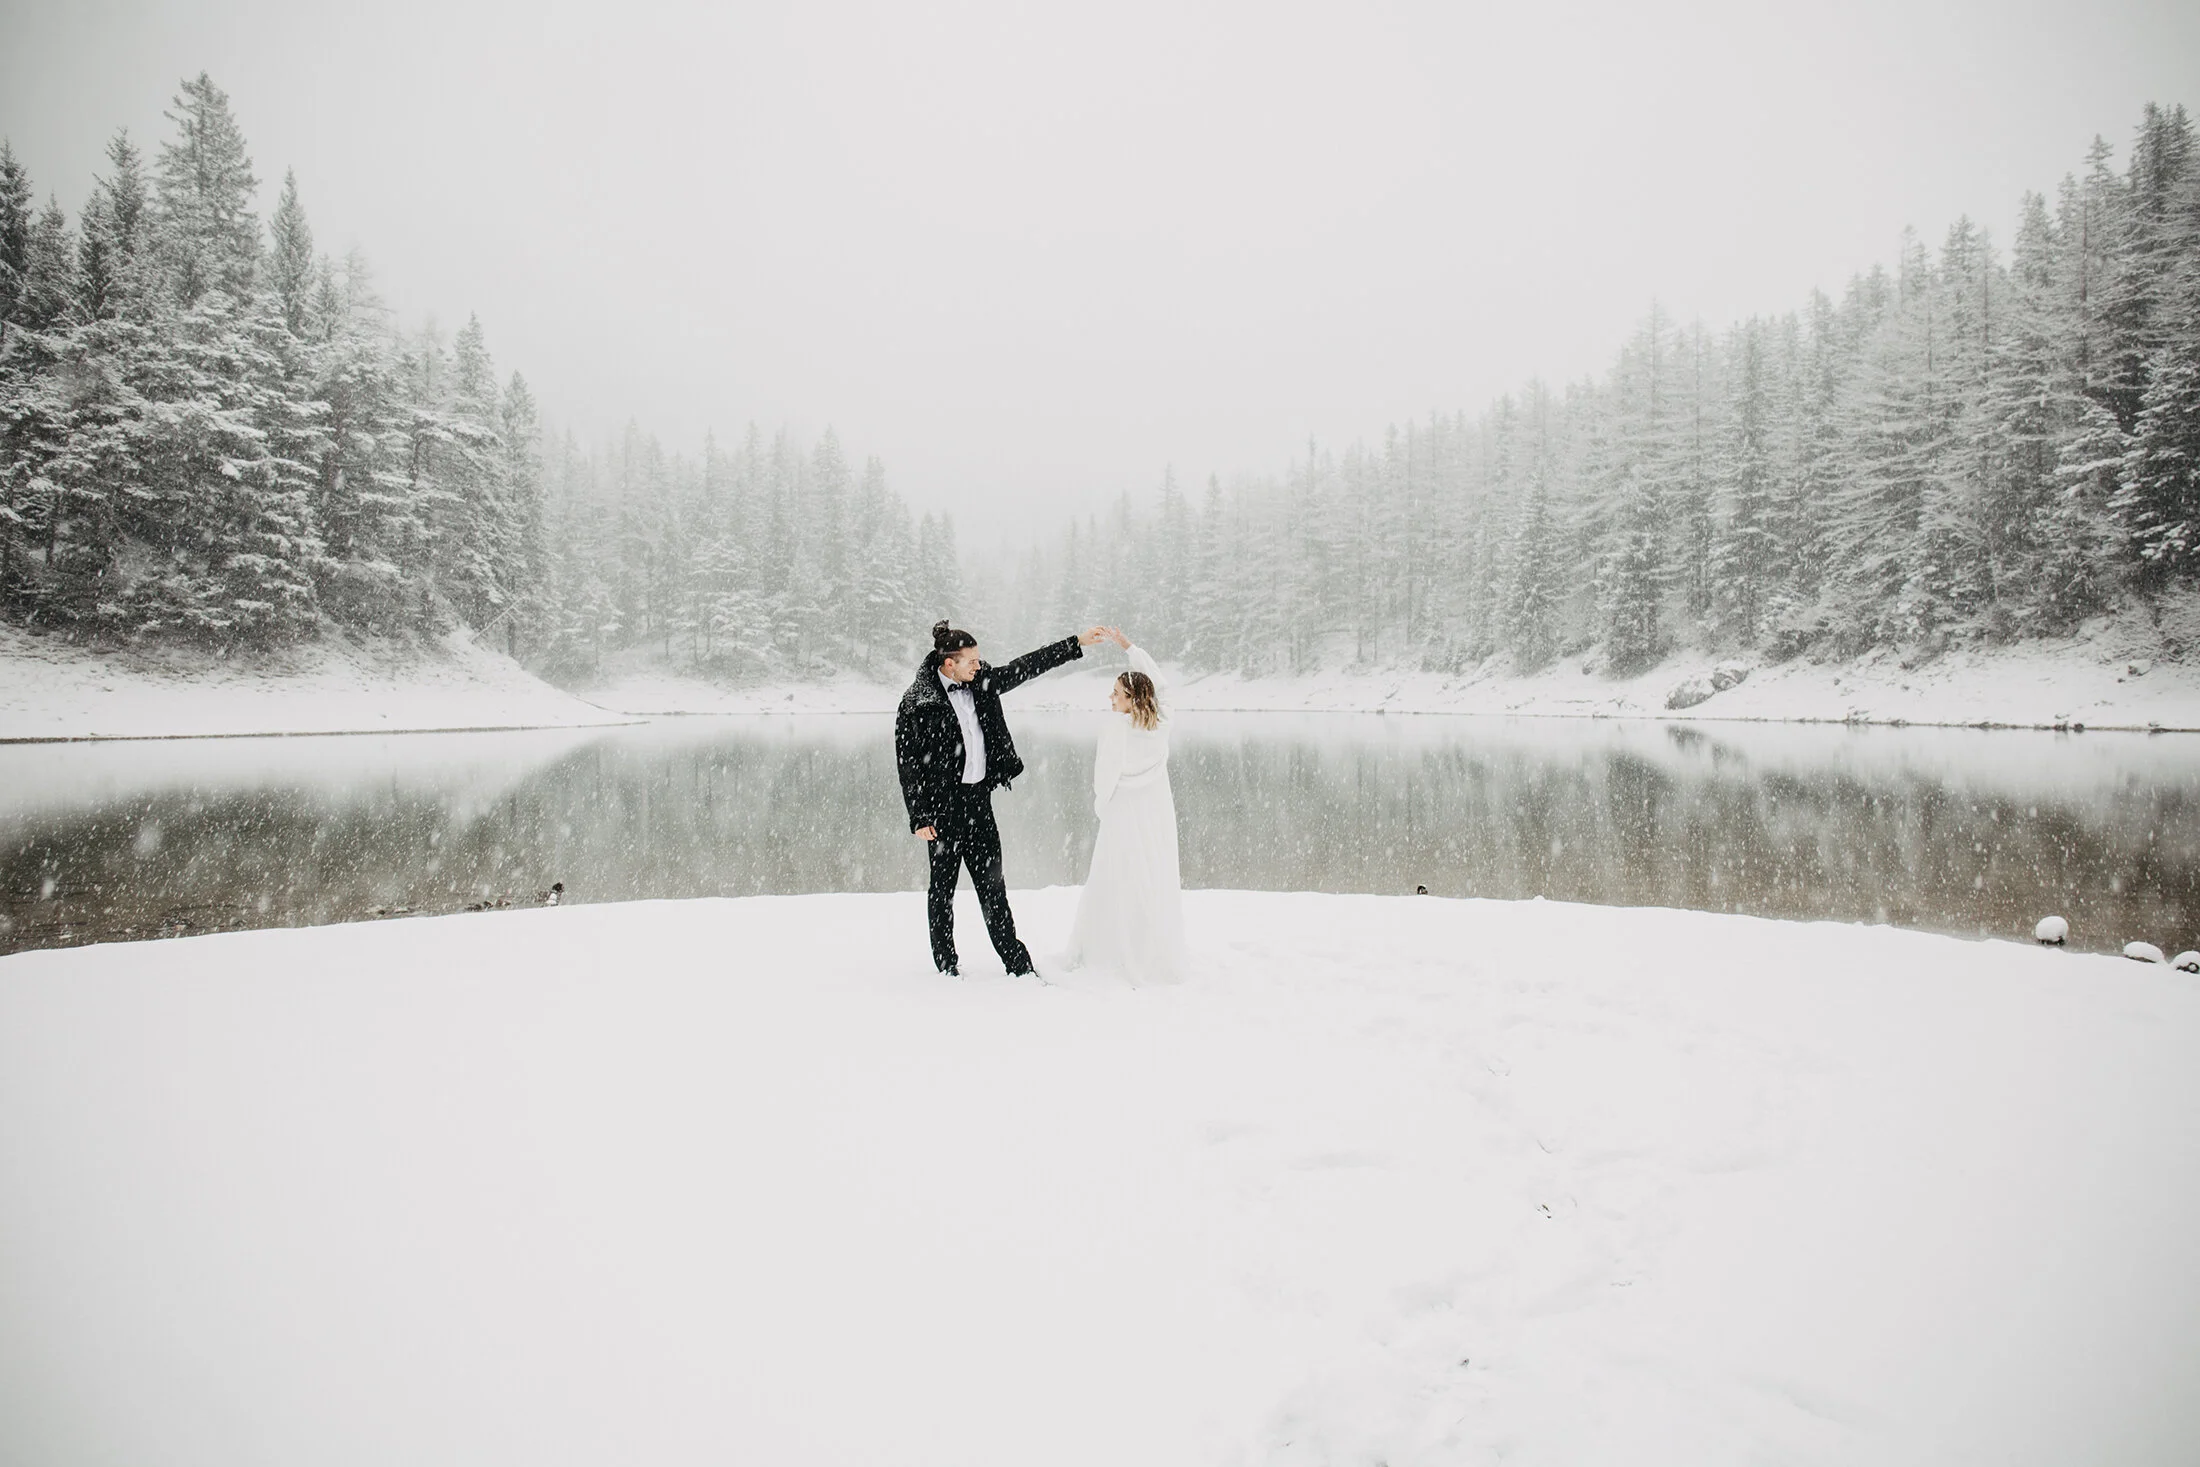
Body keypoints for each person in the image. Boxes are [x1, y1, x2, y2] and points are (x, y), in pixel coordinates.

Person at [895, 619, 1107, 977]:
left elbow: (1026, 666)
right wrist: (919, 816)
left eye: (979, 660)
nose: (978, 666)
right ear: (949, 663)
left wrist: (1077, 643)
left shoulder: (981, 681)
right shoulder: (918, 702)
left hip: (979, 804)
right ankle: (947, 968)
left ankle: (1018, 965)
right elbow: (908, 765)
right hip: (942, 812)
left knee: (994, 888)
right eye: (971, 661)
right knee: (942, 892)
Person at [1063, 628, 1185, 983]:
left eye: (1116, 692)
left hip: (1122, 813)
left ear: (1131, 698)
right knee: (1151, 872)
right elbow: (1162, 686)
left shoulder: (1115, 729)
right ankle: (1150, 947)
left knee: (1116, 876)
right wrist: (1130, 647)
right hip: (1156, 812)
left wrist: (1102, 805)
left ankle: (1110, 949)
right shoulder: (1162, 723)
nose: (1110, 697)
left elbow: (1104, 776)